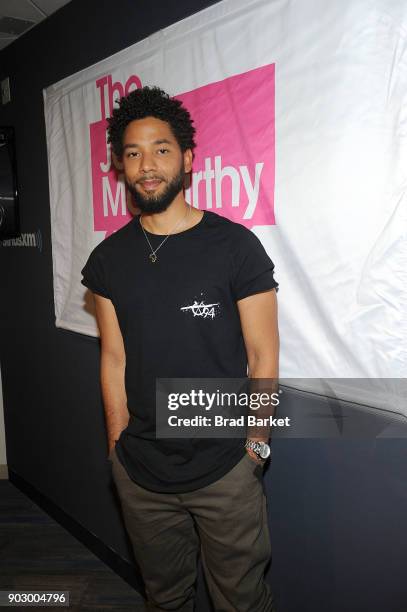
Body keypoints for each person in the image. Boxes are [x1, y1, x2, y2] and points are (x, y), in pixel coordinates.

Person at [81, 86, 279, 612]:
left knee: (242, 602)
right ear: (121, 167)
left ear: (189, 158)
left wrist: (254, 450)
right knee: (164, 599)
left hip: (226, 469)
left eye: (161, 149)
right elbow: (115, 358)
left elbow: (263, 358)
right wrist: (117, 451)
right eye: (132, 153)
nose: (147, 165)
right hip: (141, 474)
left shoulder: (236, 248)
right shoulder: (107, 261)